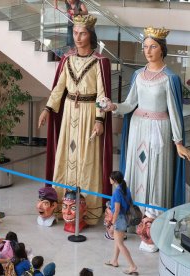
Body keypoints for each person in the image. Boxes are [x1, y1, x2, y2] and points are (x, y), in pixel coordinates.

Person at [103, 27, 190, 222]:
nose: (148, 51)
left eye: (153, 46)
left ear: (162, 48)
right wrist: (114, 106)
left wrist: (178, 142)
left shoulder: (170, 78)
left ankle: (153, 218)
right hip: (137, 127)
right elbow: (130, 103)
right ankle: (131, 214)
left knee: (155, 171)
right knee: (135, 169)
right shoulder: (138, 75)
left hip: (159, 130)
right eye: (145, 47)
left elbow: (175, 113)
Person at [38, 14, 113, 226]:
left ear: (91, 35)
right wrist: (47, 109)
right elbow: (58, 89)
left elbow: (102, 94)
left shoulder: (100, 62)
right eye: (75, 33)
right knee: (67, 155)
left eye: (83, 33)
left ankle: (88, 209)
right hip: (69, 112)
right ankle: (63, 206)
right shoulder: (67, 59)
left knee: (87, 159)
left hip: (89, 114)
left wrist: (100, 120)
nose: (78, 37)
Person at [105, 171, 138, 275]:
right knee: (117, 241)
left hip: (119, 219)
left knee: (120, 243)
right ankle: (114, 261)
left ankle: (132, 266)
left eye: (110, 178)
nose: (109, 179)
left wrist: (112, 222)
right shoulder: (125, 189)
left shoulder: (117, 192)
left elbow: (117, 209)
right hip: (124, 218)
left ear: (114, 180)